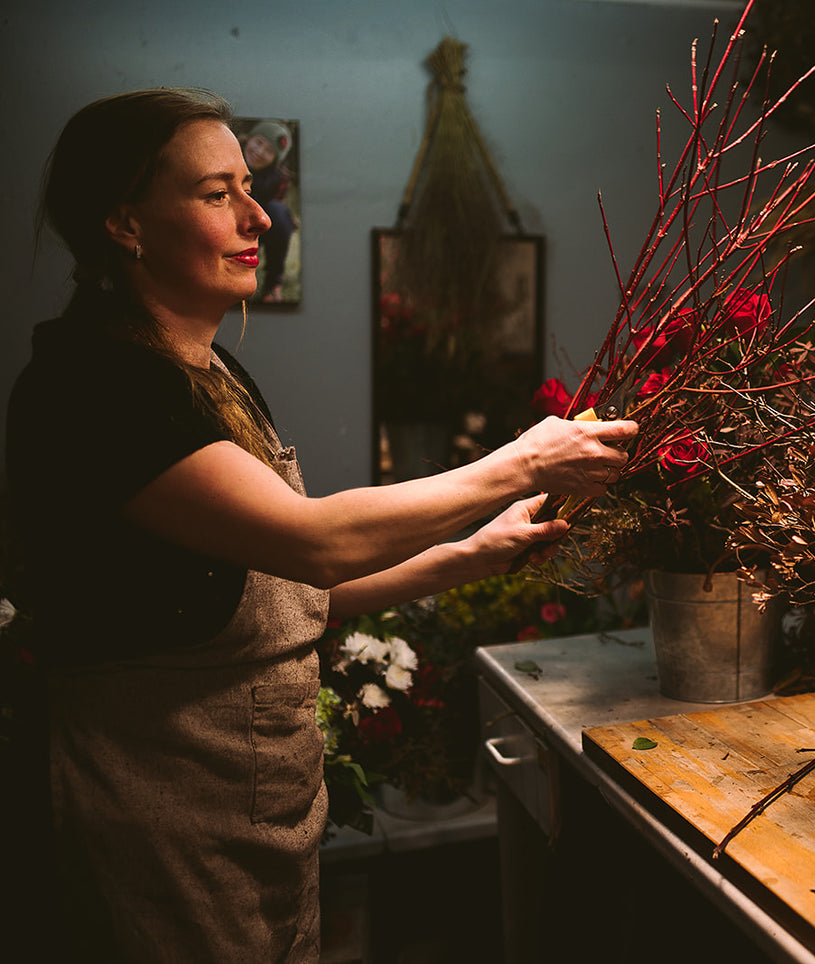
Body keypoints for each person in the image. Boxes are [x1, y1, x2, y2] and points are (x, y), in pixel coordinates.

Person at [0, 87, 636, 963]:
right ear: (124, 223)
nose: (260, 214)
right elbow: (316, 540)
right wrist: (521, 461)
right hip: (161, 805)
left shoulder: (203, 372)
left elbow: (288, 590)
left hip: (247, 802)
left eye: (250, 188)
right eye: (216, 192)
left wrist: (472, 556)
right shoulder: (96, 387)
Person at [240, 118, 297, 302]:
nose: (259, 152)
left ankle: (273, 285)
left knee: (279, 213)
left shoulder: (276, 179)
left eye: (269, 151)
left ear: (274, 160)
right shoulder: (227, 155)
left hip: (254, 226)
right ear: (249, 138)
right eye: (259, 142)